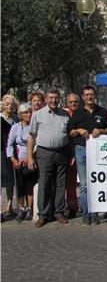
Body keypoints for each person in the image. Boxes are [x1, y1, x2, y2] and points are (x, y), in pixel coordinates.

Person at [27, 89, 70, 227]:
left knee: (60, 183)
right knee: (44, 183)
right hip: (44, 152)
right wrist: (29, 157)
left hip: (62, 152)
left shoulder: (64, 114)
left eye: (56, 98)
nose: (53, 101)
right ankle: (43, 214)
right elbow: (31, 136)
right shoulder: (38, 114)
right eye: (51, 98)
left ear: (59, 99)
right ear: (46, 99)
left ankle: (58, 212)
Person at [67, 86, 107, 225]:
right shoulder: (77, 113)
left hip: (98, 151)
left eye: (91, 94)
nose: (89, 97)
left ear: (95, 96)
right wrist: (79, 130)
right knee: (84, 184)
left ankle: (95, 213)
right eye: (86, 95)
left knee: (96, 183)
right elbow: (70, 132)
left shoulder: (102, 112)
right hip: (81, 149)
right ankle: (86, 214)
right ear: (83, 97)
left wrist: (101, 131)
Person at [7, 104, 37, 222]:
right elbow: (9, 144)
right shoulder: (15, 127)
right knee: (20, 186)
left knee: (30, 184)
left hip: (31, 159)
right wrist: (13, 159)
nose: (28, 115)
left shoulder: (34, 126)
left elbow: (38, 143)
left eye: (30, 112)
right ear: (20, 114)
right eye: (26, 112)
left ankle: (30, 208)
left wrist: (30, 157)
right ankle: (21, 208)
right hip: (19, 160)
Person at [1, 95, 19, 219]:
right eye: (7, 104)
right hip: (1, 151)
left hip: (12, 152)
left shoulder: (16, 120)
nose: (10, 107)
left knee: (10, 181)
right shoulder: (0, 118)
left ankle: (9, 206)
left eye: (12, 104)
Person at [64, 93, 80, 218]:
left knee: (79, 182)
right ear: (67, 104)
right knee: (68, 182)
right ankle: (68, 206)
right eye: (71, 102)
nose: (74, 104)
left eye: (76, 102)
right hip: (67, 152)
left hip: (81, 150)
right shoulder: (64, 116)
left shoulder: (82, 114)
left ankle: (76, 206)